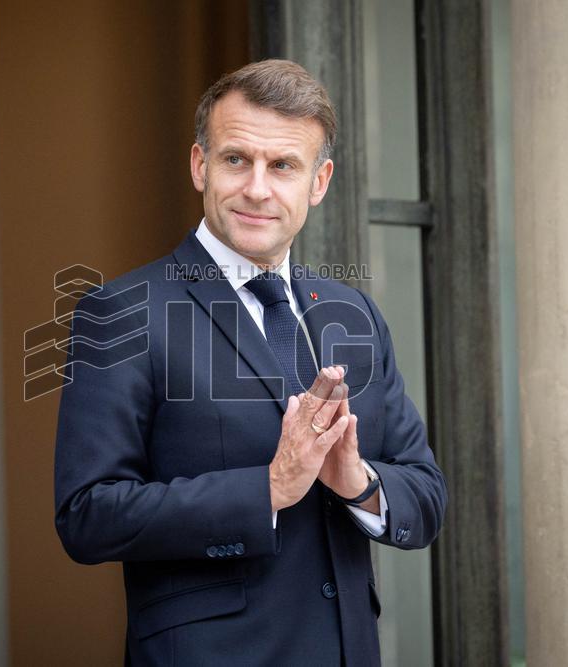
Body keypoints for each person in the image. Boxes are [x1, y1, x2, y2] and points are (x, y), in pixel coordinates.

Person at [54, 59, 446, 666]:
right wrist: (267, 488)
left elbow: (425, 496)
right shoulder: (121, 312)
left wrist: (358, 484)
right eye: (237, 159)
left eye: (284, 166)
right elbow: (87, 515)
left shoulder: (353, 313)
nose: (258, 188)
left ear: (318, 183)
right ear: (199, 165)